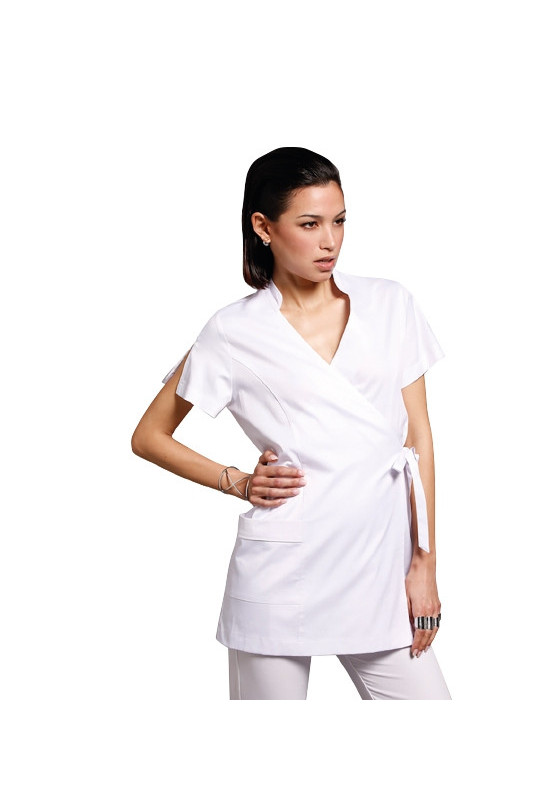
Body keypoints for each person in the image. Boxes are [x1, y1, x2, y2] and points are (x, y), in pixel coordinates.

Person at [131, 146, 452, 700]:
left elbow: (417, 437)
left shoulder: (390, 304)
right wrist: (237, 481)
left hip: (380, 568)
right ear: (264, 227)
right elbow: (149, 436)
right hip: (282, 575)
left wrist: (424, 563)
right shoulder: (234, 331)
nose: (330, 241)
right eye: (310, 224)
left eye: (339, 221)